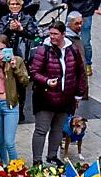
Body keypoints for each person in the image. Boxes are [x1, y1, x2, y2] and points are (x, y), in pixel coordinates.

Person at [29, 21, 86, 164]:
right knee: (41, 130)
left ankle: (52, 156)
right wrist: (47, 81)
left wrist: (79, 94)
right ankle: (37, 160)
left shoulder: (72, 49)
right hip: (45, 98)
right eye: (50, 34)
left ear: (63, 34)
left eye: (55, 34)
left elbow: (80, 72)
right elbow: (34, 72)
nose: (52, 37)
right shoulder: (43, 50)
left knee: (58, 130)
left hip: (65, 98)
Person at [0, 34, 29, 163]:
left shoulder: (17, 60)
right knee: (0, 140)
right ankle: (5, 164)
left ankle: (16, 168)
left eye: (3, 50)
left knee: (9, 142)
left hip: (11, 104)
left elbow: (25, 81)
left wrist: (15, 68)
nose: (0, 53)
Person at [0, 0, 38, 119]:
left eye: (17, 4)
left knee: (21, 81)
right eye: (12, 4)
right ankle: (7, 105)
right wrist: (9, 29)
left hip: (22, 53)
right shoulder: (4, 18)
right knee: (6, 79)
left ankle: (20, 109)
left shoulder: (27, 18)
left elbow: (33, 34)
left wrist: (21, 30)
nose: (15, 7)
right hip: (6, 53)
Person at [66, 0, 98, 75]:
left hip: (86, 11)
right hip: (75, 10)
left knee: (85, 42)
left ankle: (87, 64)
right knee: (70, 39)